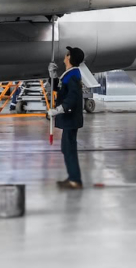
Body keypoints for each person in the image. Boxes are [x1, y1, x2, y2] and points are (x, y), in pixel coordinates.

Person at [48, 46, 86, 189]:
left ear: (69, 57)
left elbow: (72, 99)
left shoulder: (73, 76)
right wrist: (52, 75)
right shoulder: (70, 74)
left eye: (67, 54)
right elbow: (59, 88)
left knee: (69, 149)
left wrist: (57, 110)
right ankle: (73, 178)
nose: (64, 56)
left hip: (70, 119)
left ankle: (75, 180)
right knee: (66, 148)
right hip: (70, 120)